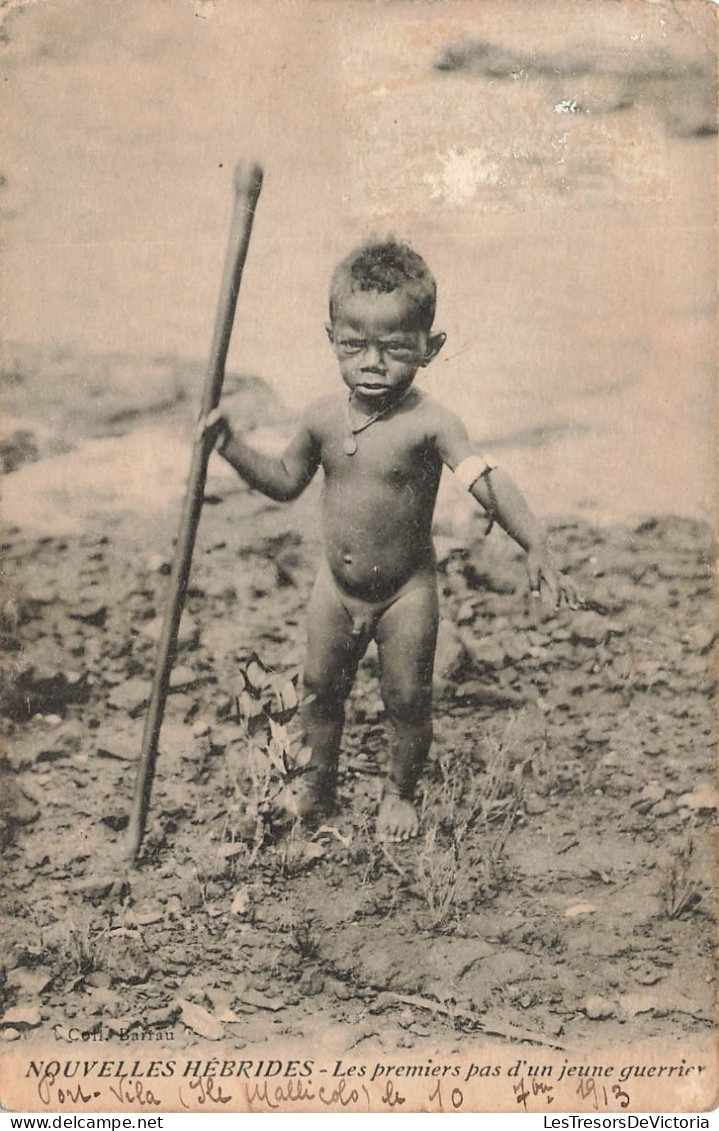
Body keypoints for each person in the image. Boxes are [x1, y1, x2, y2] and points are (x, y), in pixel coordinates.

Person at [202, 239, 581, 842]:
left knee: (406, 697)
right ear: (330, 338)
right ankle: (317, 785)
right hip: (335, 588)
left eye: (396, 348)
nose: (372, 363)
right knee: (320, 689)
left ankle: (400, 792)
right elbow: (281, 482)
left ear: (430, 349)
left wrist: (533, 540)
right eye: (354, 346)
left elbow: (485, 480)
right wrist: (229, 447)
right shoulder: (322, 418)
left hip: (407, 591)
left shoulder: (432, 424)